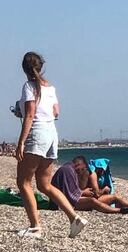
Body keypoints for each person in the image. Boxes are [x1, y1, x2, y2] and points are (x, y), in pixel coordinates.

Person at [14, 52, 87, 238]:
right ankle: (74, 218)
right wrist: (22, 110)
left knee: (23, 182)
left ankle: (35, 226)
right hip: (51, 135)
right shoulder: (50, 87)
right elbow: (55, 112)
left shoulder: (29, 86)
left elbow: (30, 114)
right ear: (41, 66)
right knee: (45, 185)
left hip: (37, 134)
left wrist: (21, 142)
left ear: (24, 68)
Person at [51, 156, 128, 214]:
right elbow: (70, 194)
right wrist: (84, 192)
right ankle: (119, 210)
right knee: (93, 201)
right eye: (100, 170)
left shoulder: (84, 173)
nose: (101, 173)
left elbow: (95, 193)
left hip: (78, 199)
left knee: (115, 197)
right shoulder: (71, 172)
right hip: (71, 202)